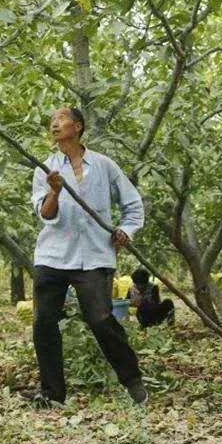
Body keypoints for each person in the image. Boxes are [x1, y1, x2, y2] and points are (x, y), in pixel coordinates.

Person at [27, 106, 148, 406]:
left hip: (94, 256)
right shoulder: (45, 169)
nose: (54, 124)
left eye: (61, 119)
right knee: (44, 322)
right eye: (51, 120)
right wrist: (54, 190)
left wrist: (126, 230)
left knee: (101, 319)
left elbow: (133, 205)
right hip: (53, 255)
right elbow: (45, 213)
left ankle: (133, 381)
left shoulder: (104, 166)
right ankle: (52, 393)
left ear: (78, 127)